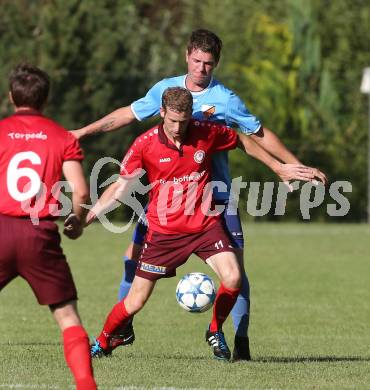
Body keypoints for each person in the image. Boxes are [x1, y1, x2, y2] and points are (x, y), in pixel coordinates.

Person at [73, 29, 326, 360]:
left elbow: (252, 136)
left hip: (212, 200)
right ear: (186, 57)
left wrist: (288, 166)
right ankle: (115, 333)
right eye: (196, 61)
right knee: (132, 268)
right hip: (165, 206)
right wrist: (83, 135)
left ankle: (237, 341)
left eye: (208, 63)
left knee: (236, 273)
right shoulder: (162, 100)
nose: (201, 68)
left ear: (216, 63)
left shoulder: (223, 104)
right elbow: (126, 121)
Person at [0, 64, 97, 390]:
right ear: (46, 99)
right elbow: (81, 191)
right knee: (68, 317)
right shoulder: (60, 136)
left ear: (11, 96)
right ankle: (86, 386)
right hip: (39, 234)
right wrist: (78, 221)